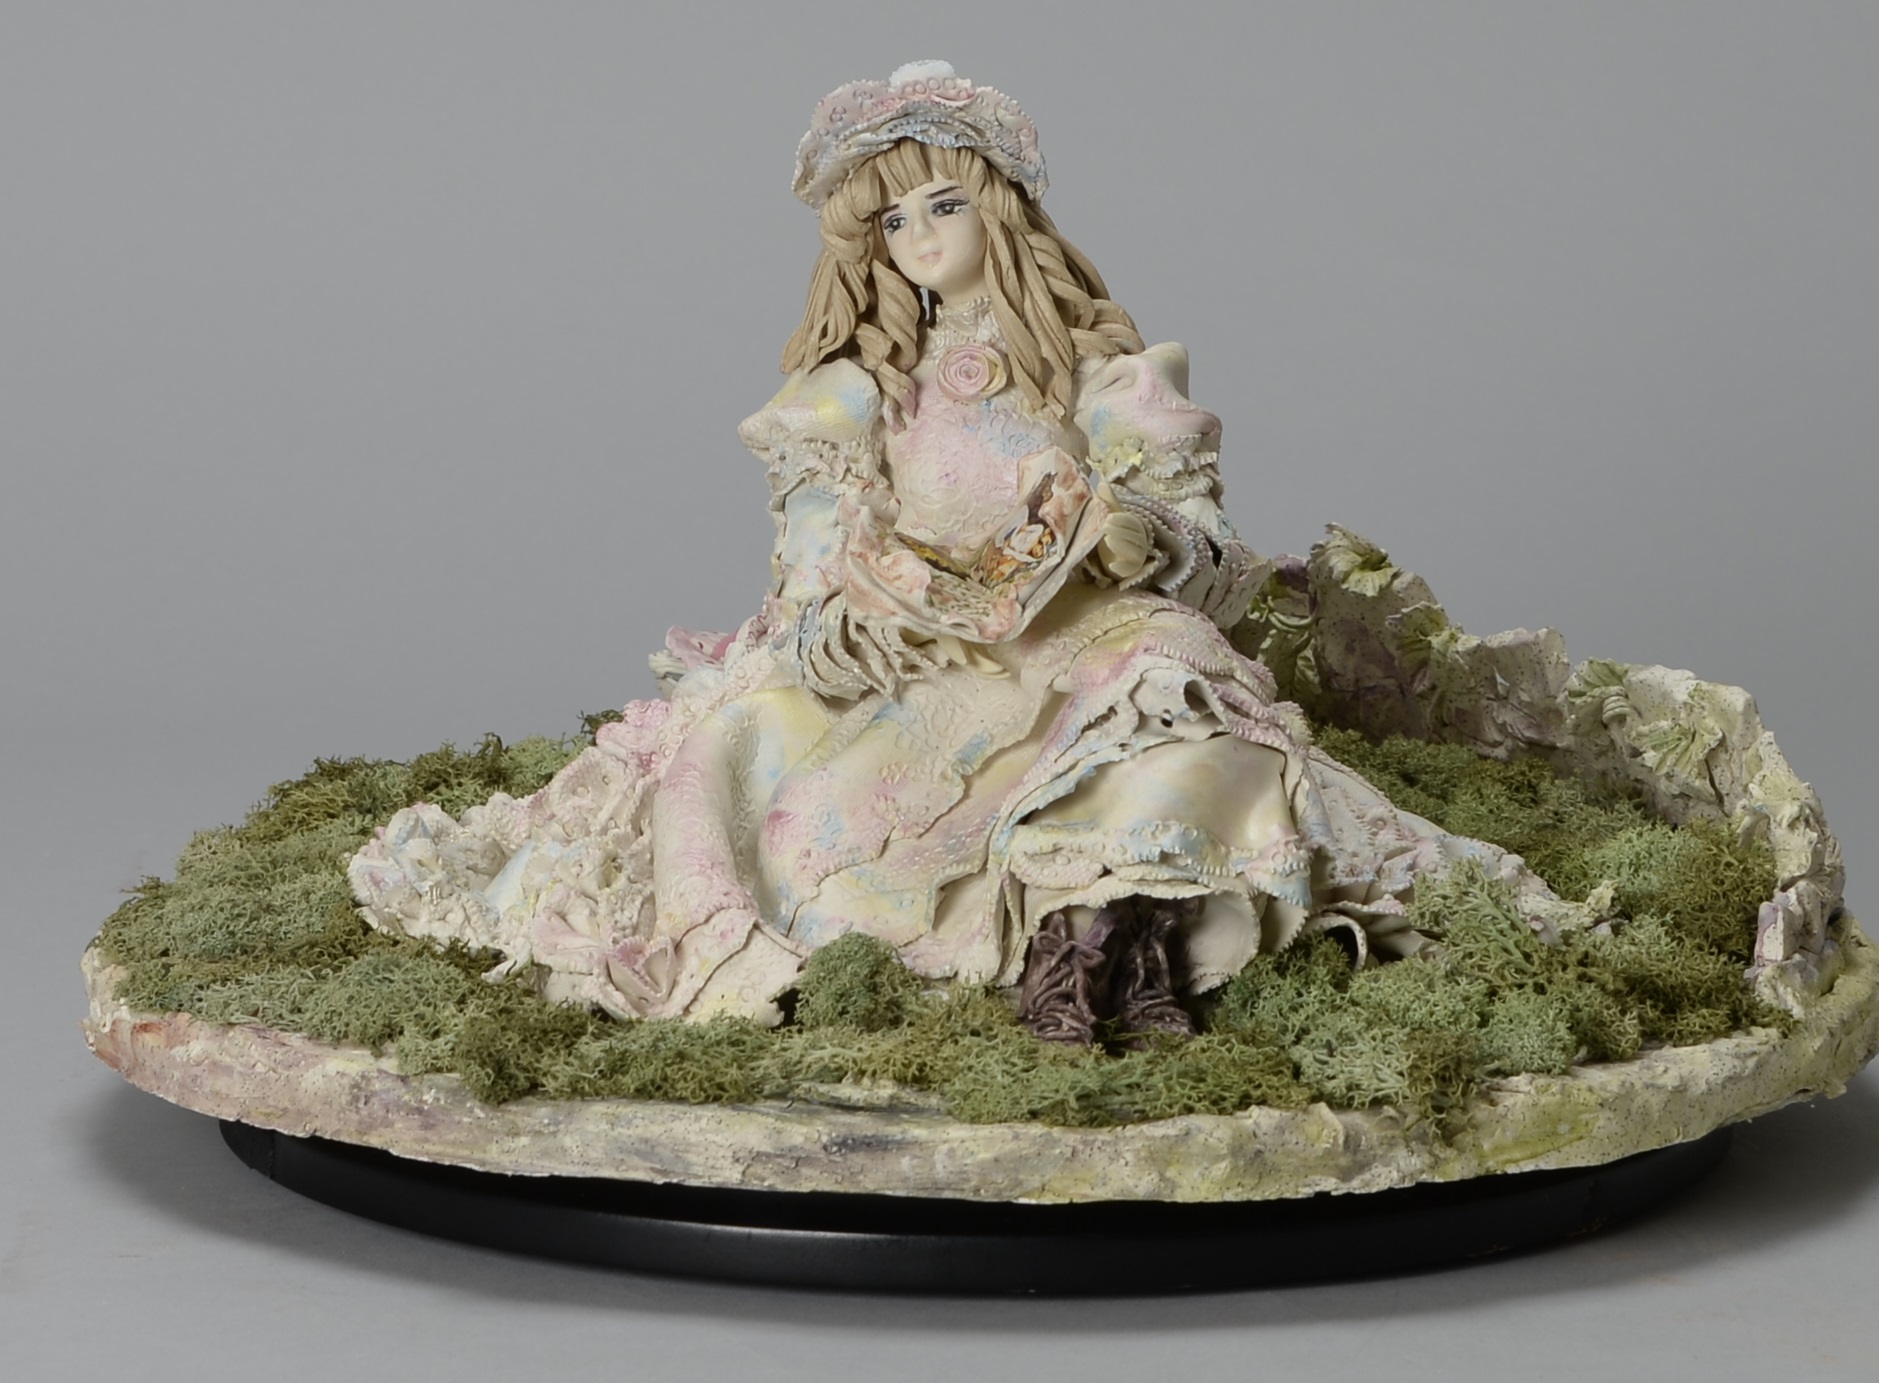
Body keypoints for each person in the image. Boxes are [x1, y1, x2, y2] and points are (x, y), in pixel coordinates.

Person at [350, 62, 1509, 1041]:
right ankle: (938, 941)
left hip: (1086, 637)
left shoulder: (1101, 372)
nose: (917, 239)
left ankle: (1103, 944)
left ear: (999, 205)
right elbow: (810, 574)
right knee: (751, 755)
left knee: (1184, 703)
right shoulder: (858, 394)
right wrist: (858, 617)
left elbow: (1204, 543)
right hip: (922, 667)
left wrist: (1136, 536)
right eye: (892, 222)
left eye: (941, 205)